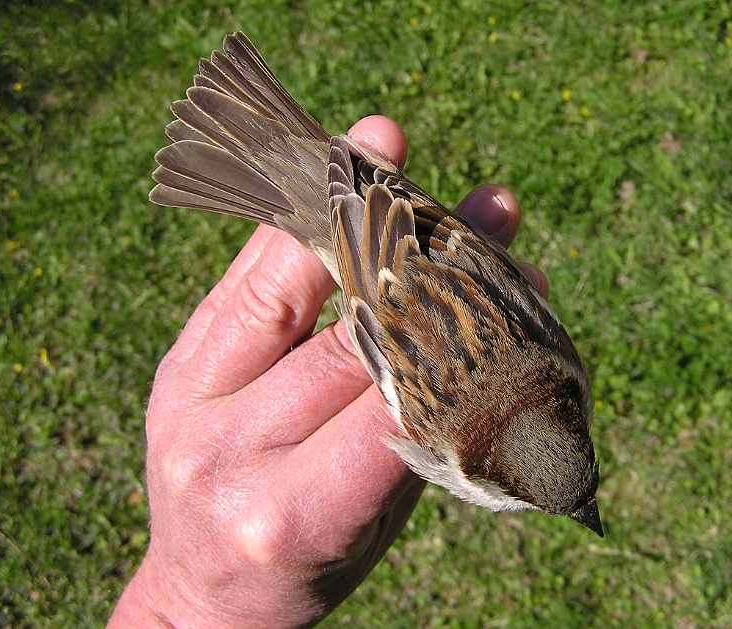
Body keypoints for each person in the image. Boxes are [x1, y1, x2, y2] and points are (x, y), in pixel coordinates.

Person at [108, 115, 549, 628]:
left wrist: (183, 606)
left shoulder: (541, 354)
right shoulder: (443, 421)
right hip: (370, 253)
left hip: (392, 229)